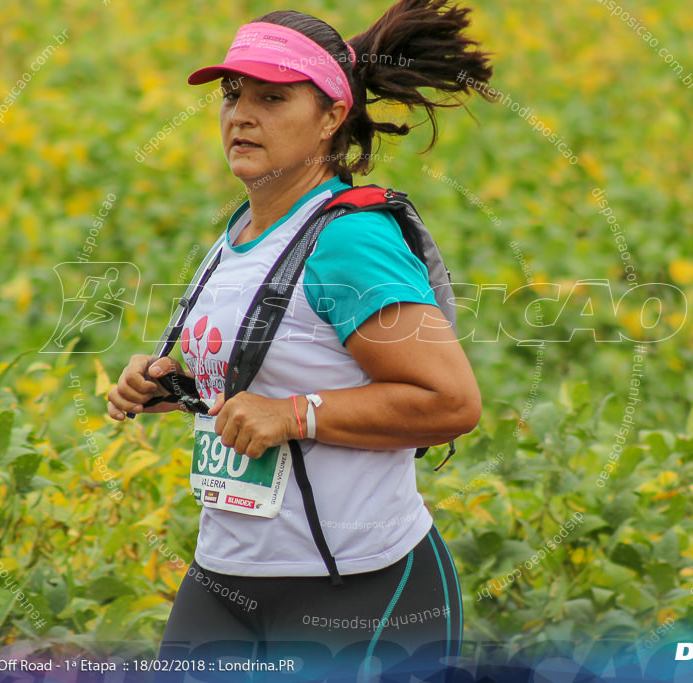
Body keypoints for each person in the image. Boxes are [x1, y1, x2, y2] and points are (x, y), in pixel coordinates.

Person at [106, 0, 493, 676]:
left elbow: (451, 402)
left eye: (273, 97)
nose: (241, 114)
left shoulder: (350, 240)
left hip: (359, 589)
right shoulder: (239, 234)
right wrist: (169, 384)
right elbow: (261, 375)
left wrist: (293, 415)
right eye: (233, 95)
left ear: (331, 118)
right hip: (223, 579)